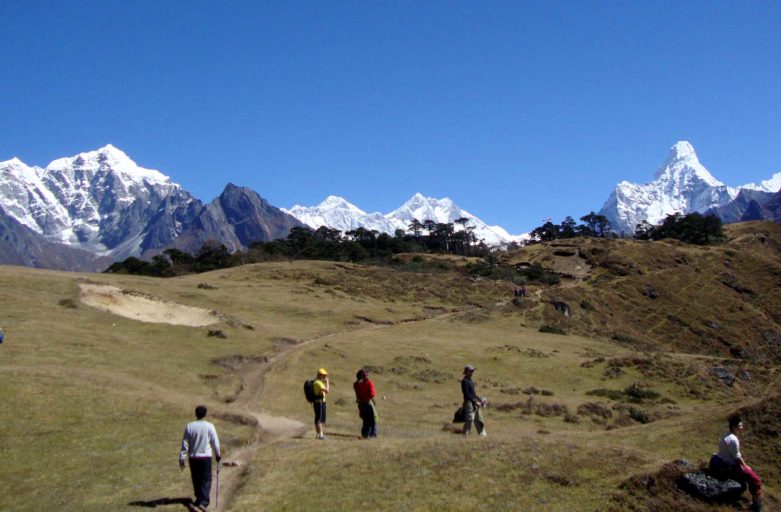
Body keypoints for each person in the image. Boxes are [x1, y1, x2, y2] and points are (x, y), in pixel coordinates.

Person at [709, 414, 763, 511]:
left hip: (722, 462)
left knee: (746, 481)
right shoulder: (733, 439)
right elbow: (737, 457)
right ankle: (756, 505)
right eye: (740, 426)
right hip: (730, 465)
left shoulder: (727, 434)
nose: (742, 428)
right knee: (756, 480)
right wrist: (746, 466)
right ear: (734, 427)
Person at [179, 405, 221, 510]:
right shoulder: (209, 426)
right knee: (206, 479)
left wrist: (182, 457)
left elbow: (185, 443)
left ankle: (198, 499)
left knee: (196, 478)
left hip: (193, 457)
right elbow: (215, 442)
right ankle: (204, 501)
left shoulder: (190, 426)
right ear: (205, 414)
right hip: (205, 457)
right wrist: (218, 454)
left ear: (196, 414)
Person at [461, 365, 487, 436]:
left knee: (479, 419)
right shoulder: (464, 381)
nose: (472, 372)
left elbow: (473, 393)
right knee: (470, 419)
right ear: (466, 372)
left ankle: (482, 435)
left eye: (473, 371)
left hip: (475, 402)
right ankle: (465, 435)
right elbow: (466, 394)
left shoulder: (470, 381)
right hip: (469, 403)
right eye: (471, 371)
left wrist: (479, 399)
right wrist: (475, 402)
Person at [353, 368, 377, 438]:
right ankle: (372, 435)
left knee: (365, 420)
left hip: (362, 403)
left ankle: (365, 434)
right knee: (371, 420)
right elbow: (372, 394)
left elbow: (358, 395)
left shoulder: (357, 384)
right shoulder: (369, 383)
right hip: (368, 404)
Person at [313, 368, 329, 440]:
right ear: (320, 375)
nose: (325, 377)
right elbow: (327, 391)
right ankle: (320, 435)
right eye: (324, 375)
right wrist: (327, 382)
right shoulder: (318, 383)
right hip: (319, 402)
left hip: (319, 402)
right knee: (319, 419)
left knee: (319, 419)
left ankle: (318, 434)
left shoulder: (318, 382)